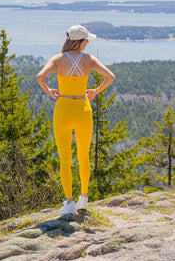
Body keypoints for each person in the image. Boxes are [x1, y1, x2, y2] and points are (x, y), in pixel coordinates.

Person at [36, 25, 115, 215]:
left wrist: (49, 90)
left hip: (63, 109)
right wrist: (95, 91)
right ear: (79, 41)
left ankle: (69, 202)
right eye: (86, 40)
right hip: (83, 109)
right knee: (83, 157)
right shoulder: (89, 60)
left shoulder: (58, 59)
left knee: (65, 159)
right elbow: (110, 77)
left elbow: (40, 77)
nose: (88, 42)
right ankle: (84, 198)